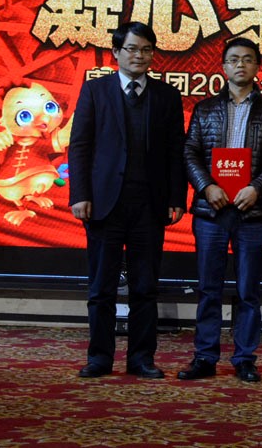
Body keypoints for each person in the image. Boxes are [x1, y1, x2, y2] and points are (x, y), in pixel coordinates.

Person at [69, 22, 187, 379]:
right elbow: (80, 146)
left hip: (149, 205)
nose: (139, 56)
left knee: (145, 288)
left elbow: (175, 152)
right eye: (132, 49)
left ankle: (141, 358)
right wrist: (80, 194)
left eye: (146, 50)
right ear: (116, 52)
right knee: (101, 288)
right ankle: (99, 358)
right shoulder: (95, 91)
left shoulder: (167, 96)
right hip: (104, 203)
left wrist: (176, 197)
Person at [177, 38, 262, 384]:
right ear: (224, 66)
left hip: (251, 210)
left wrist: (256, 188)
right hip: (211, 210)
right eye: (233, 59)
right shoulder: (205, 109)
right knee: (208, 288)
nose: (240, 65)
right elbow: (190, 152)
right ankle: (205, 356)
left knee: (248, 291)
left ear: (258, 67)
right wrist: (206, 186)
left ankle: (244, 358)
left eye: (248, 59)